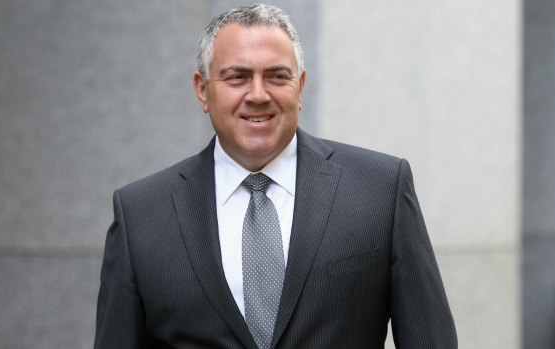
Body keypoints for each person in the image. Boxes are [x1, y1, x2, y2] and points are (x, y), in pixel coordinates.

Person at [94, 4, 457, 349]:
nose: (257, 94)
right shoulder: (140, 214)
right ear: (203, 90)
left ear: (300, 86)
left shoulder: (380, 190)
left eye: (276, 76)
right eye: (237, 77)